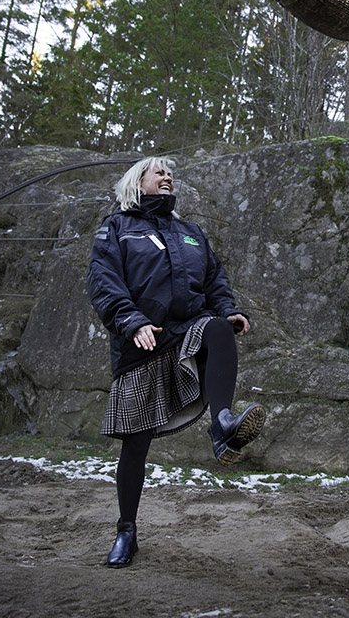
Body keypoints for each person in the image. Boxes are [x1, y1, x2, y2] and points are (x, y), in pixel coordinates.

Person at [86, 156, 265, 568]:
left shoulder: (190, 233)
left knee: (218, 328)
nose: (167, 177)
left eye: (171, 174)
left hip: (187, 331)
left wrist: (228, 310)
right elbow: (103, 280)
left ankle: (223, 427)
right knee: (136, 446)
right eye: (158, 172)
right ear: (138, 182)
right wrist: (130, 322)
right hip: (143, 342)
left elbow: (215, 279)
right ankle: (126, 532)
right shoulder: (117, 228)